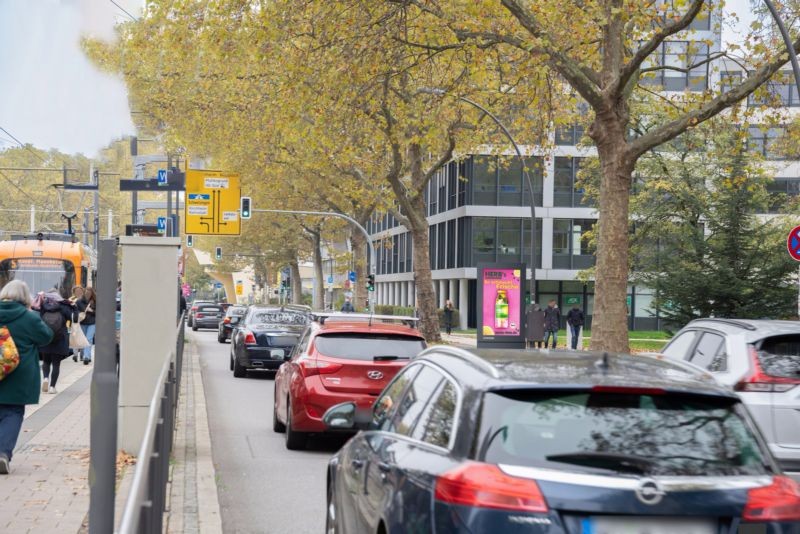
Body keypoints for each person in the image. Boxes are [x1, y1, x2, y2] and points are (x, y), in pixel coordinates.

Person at [0, 281, 53, 474]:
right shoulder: (29, 318)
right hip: (18, 374)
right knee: (12, 412)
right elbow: (46, 337)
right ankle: (3, 453)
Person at [37, 288, 77, 394]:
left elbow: (39, 318)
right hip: (60, 337)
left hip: (46, 337)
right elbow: (74, 319)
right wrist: (74, 307)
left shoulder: (43, 305)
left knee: (46, 361)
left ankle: (45, 378)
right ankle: (52, 387)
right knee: (56, 363)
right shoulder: (64, 306)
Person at [76, 287, 96, 365]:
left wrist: (92, 311)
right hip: (83, 322)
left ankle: (86, 357)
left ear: (92, 294)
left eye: (89, 293)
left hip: (92, 323)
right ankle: (88, 356)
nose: (88, 294)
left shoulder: (95, 301)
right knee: (84, 339)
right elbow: (76, 310)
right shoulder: (79, 301)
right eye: (87, 292)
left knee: (89, 339)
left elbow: (100, 312)